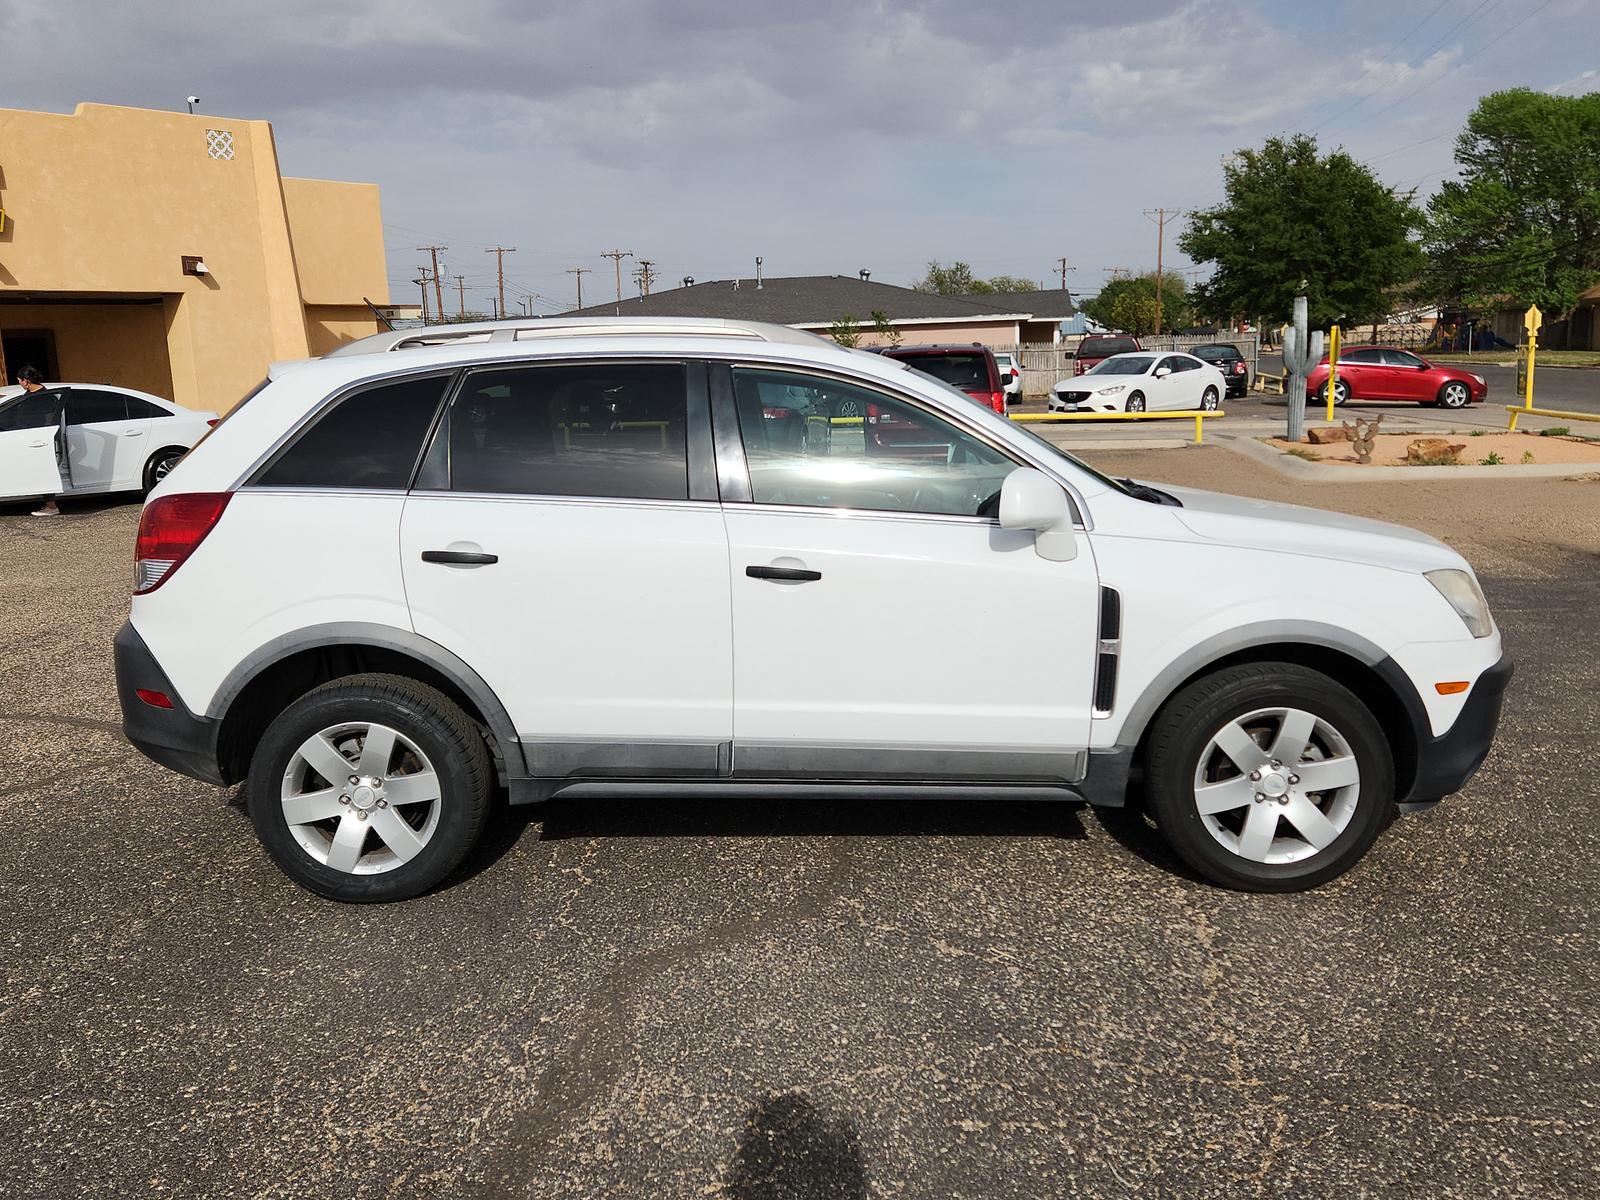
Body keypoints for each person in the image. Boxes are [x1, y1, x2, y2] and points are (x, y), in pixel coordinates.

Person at [16, 366, 65, 516]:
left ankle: (51, 506)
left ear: (26, 381)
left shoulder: (45, 397)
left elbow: (50, 420)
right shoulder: (30, 393)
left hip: (40, 438)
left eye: (20, 381)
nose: (19, 384)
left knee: (44, 470)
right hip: (29, 437)